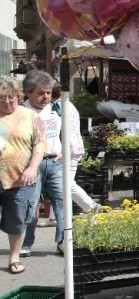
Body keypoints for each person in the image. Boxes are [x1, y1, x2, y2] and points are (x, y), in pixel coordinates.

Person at [0, 76, 46, 273]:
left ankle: (14, 258)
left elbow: (40, 145)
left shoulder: (30, 116)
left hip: (20, 179)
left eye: (11, 97)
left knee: (18, 221)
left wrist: (32, 168)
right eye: (1, 97)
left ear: (18, 96)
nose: (6, 101)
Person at [20, 70, 65, 257]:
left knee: (62, 203)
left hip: (55, 162)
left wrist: (64, 150)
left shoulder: (57, 108)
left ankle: (62, 242)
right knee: (30, 205)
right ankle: (26, 243)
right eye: (41, 93)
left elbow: (67, 131)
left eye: (48, 92)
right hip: (31, 165)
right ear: (28, 92)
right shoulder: (21, 112)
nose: (46, 96)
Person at [51, 84, 103, 215]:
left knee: (65, 183)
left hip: (69, 148)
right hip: (73, 147)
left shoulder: (60, 107)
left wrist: (65, 149)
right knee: (61, 183)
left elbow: (66, 129)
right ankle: (55, 215)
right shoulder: (66, 105)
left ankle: (91, 206)